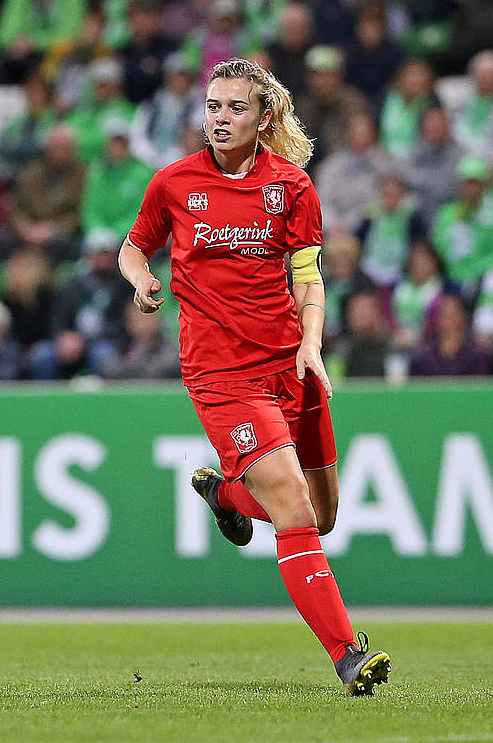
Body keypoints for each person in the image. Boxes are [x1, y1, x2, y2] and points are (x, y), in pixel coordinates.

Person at [118, 58, 390, 695]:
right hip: (220, 372)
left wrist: (313, 345)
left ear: (264, 117)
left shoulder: (293, 187)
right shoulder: (173, 183)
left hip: (291, 363)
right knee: (293, 503)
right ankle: (348, 655)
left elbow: (307, 278)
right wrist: (141, 280)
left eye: (235, 108)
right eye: (213, 107)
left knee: (320, 516)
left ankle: (226, 496)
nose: (220, 119)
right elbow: (135, 246)